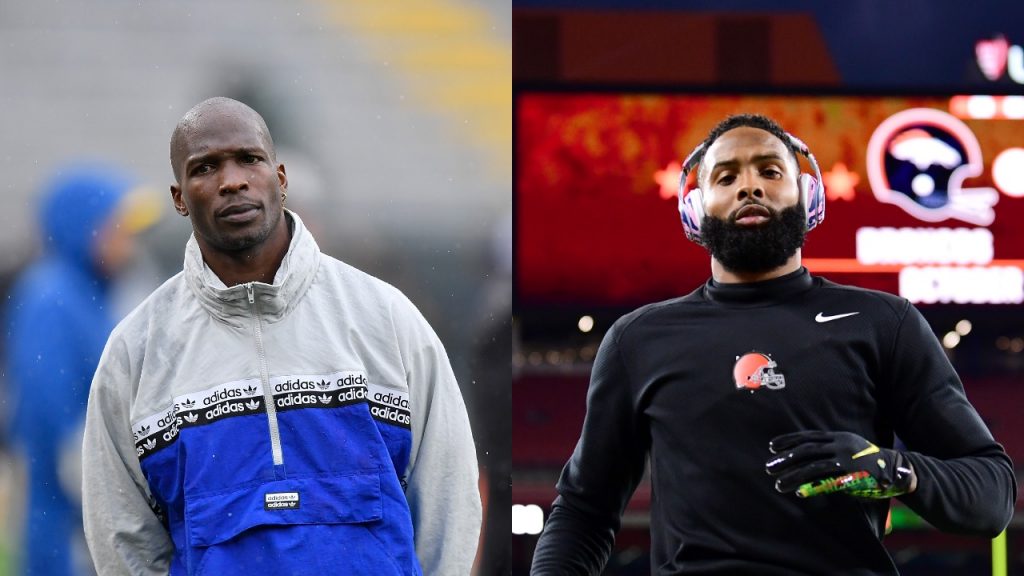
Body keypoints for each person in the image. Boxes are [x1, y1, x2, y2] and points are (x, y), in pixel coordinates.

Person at [530, 114, 1016, 575]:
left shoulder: (884, 323)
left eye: (769, 170)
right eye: (725, 177)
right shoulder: (637, 341)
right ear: (696, 206)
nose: (750, 186)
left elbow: (991, 495)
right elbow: (583, 513)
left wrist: (891, 469)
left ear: (807, 195)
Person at [81, 97, 481, 575]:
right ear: (179, 198)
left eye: (249, 159)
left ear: (281, 178)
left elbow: (448, 499)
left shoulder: (385, 319)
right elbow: (121, 540)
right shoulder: (136, 352)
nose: (232, 180)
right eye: (206, 167)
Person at [4, 163, 158, 576]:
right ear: (82, 227)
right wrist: (95, 484)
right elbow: (47, 406)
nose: (128, 243)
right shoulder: (51, 296)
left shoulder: (91, 293)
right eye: (117, 229)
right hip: (63, 504)